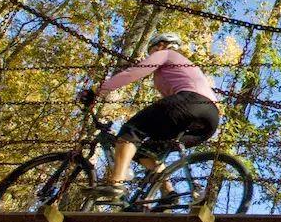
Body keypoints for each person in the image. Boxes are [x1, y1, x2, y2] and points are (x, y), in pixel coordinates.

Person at [78, 32, 221, 199]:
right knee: (145, 152)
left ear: (160, 45)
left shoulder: (166, 54)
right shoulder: (183, 66)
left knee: (131, 130)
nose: (150, 55)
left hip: (190, 102)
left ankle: (115, 184)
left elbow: (133, 74)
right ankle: (169, 195)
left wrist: (97, 91)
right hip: (209, 118)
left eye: (151, 50)